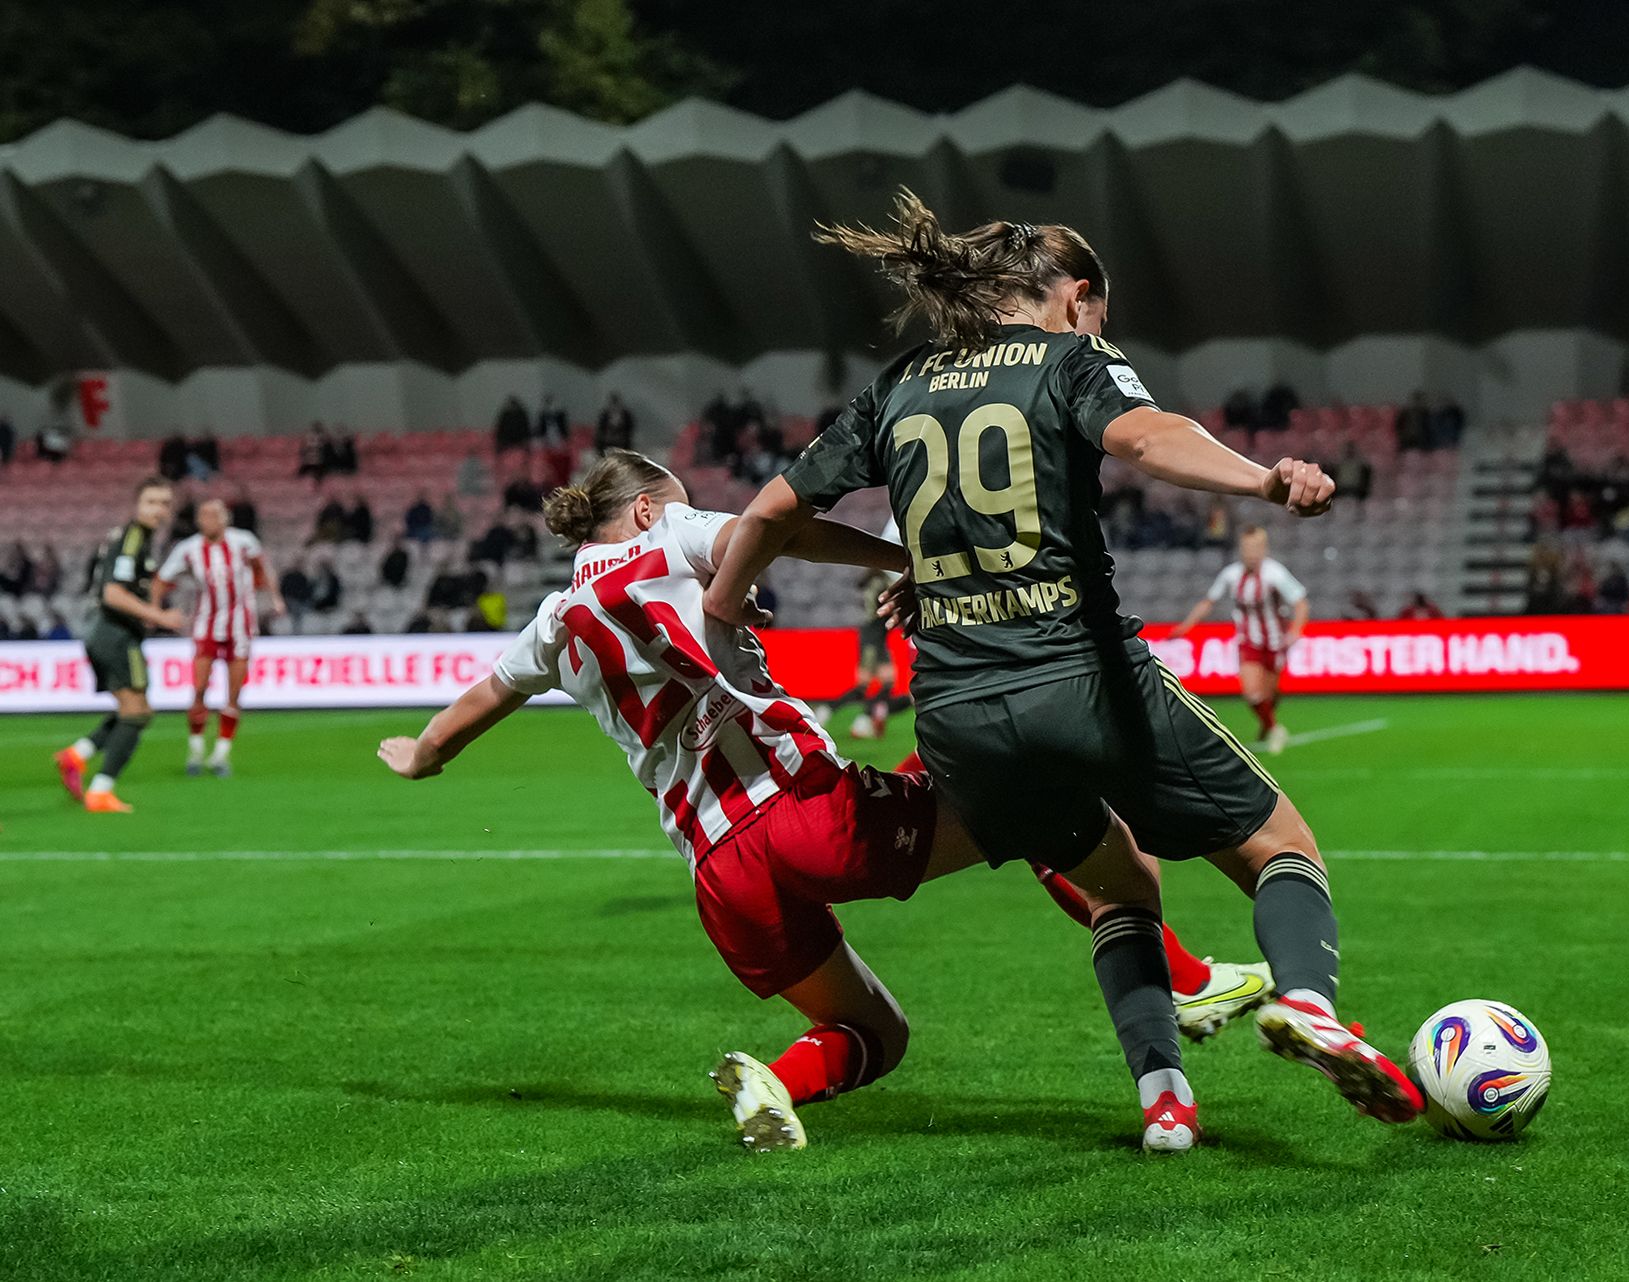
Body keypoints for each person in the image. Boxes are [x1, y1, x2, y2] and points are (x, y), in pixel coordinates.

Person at [707, 191, 1420, 1150]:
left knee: (1119, 888)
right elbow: (1146, 437)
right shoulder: (1069, 359)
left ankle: (1164, 1101)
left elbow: (767, 515)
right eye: (1100, 313)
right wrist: (1263, 478)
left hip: (957, 715)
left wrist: (723, 614)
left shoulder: (901, 384)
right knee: (1280, 848)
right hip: (1080, 678)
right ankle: (1309, 1005)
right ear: (1076, 297)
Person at [379, 452, 1269, 1153]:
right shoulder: (666, 536)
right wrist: (909, 559)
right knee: (1026, 790)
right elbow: (781, 527)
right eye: (678, 501)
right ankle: (1186, 985)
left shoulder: (549, 622)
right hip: (806, 814)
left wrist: (420, 755)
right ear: (647, 507)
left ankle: (777, 1081)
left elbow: (478, 704)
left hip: (721, 873)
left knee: (870, 1031)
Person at [53, 477, 186, 812]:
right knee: (137, 711)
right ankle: (100, 791)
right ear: (137, 504)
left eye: (165, 503)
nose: (159, 510)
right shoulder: (133, 537)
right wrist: (158, 615)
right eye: (152, 502)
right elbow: (113, 593)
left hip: (109, 632)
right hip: (114, 633)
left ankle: (77, 755)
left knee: (137, 709)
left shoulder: (139, 539)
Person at [152, 498, 284, 777]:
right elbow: (162, 580)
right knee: (199, 688)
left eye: (213, 515)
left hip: (240, 627)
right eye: (203, 515)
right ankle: (196, 750)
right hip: (206, 626)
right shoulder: (188, 549)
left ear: (225, 519)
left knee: (233, 695)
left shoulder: (244, 542)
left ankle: (222, 754)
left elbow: (262, 569)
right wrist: (153, 610)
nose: (207, 520)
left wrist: (274, 597)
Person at [1170, 526, 1309, 753]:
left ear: (1264, 549)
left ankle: (1267, 723)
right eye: (1247, 548)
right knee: (1252, 692)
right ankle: (1276, 729)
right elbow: (1209, 601)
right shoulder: (1231, 574)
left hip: (1276, 641)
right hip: (1248, 641)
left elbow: (1300, 602)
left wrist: (1296, 631)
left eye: (1255, 548)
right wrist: (1186, 626)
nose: (1251, 553)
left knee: (1269, 694)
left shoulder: (1275, 573)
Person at [816, 567, 901, 739]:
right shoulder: (882, 582)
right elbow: (888, 604)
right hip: (873, 638)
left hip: (874, 636)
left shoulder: (870, 581)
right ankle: (834, 712)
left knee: (883, 684)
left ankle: (862, 720)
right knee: (867, 687)